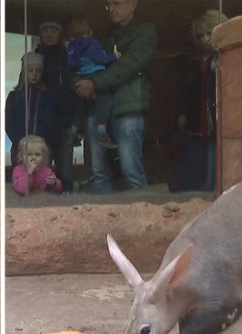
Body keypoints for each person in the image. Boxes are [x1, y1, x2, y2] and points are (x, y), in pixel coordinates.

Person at [75, 0, 157, 194]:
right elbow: (85, 64)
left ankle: (143, 221)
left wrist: (94, 82)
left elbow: (129, 66)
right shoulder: (104, 35)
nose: (112, 9)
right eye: (108, 5)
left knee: (131, 171)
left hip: (128, 107)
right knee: (98, 172)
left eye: (117, 3)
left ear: (133, 4)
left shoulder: (146, 32)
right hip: (99, 107)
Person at [178, 9, 227, 191]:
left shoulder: (231, 58)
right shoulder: (208, 64)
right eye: (201, 35)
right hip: (212, 129)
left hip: (227, 128)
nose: (206, 39)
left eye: (209, 32)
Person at [34, 21, 81, 193]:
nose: (49, 35)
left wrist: (76, 124)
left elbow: (76, 94)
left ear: (60, 34)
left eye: (53, 31)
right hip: (42, 129)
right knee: (41, 176)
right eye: (45, 31)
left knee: (66, 174)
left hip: (65, 126)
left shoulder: (69, 58)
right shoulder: (35, 59)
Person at [66, 17, 119, 150]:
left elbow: (70, 64)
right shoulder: (91, 42)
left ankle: (73, 131)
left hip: (81, 75)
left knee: (81, 106)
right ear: (89, 32)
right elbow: (99, 58)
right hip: (95, 75)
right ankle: (101, 130)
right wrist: (114, 57)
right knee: (105, 99)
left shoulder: (71, 46)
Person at [5, 52, 57, 170]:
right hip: (19, 147)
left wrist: (37, 142)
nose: (34, 74)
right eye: (30, 70)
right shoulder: (14, 97)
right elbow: (9, 122)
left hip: (41, 147)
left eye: (38, 71)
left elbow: (49, 121)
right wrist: (20, 141)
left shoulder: (47, 97)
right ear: (24, 72)